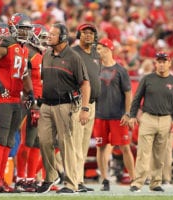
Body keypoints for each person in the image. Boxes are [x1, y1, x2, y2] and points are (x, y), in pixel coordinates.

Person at [0, 13, 34, 193]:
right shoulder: (7, 43)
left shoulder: (23, 48)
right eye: (23, 28)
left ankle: (1, 179)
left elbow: (24, 74)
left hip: (15, 99)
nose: (26, 32)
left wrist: (30, 93)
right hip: (0, 98)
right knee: (0, 139)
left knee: (9, 141)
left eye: (27, 29)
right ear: (13, 28)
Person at [37, 23, 91, 194]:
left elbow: (85, 84)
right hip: (46, 105)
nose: (48, 37)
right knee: (44, 141)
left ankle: (71, 183)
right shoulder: (46, 55)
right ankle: (51, 177)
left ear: (62, 37)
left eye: (52, 35)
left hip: (65, 105)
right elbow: (43, 80)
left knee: (66, 144)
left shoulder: (74, 57)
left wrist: (85, 108)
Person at [129, 52, 173, 192]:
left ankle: (155, 182)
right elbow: (137, 98)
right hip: (148, 118)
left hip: (166, 119)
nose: (162, 64)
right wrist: (133, 115)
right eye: (159, 61)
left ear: (169, 63)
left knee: (160, 154)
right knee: (143, 152)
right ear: (155, 63)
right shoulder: (147, 79)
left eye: (165, 61)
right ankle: (137, 183)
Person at [94, 38, 135, 191]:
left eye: (100, 48)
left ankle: (133, 179)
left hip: (118, 116)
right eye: (97, 49)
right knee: (101, 147)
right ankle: (104, 179)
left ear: (108, 49)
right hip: (100, 114)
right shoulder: (95, 68)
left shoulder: (121, 70)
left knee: (125, 147)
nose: (98, 51)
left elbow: (128, 93)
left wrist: (128, 113)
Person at [15, 24, 47, 192]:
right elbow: (22, 79)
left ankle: (30, 177)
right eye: (41, 38)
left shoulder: (42, 54)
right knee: (27, 141)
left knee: (36, 142)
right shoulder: (27, 54)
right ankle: (20, 177)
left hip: (41, 101)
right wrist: (31, 100)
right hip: (30, 100)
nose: (44, 42)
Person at [72, 23, 101, 192]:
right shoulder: (73, 53)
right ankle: (74, 180)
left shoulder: (96, 54)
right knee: (76, 142)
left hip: (92, 103)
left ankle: (79, 180)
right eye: (85, 32)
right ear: (79, 34)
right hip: (78, 102)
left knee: (83, 144)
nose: (88, 35)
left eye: (91, 33)